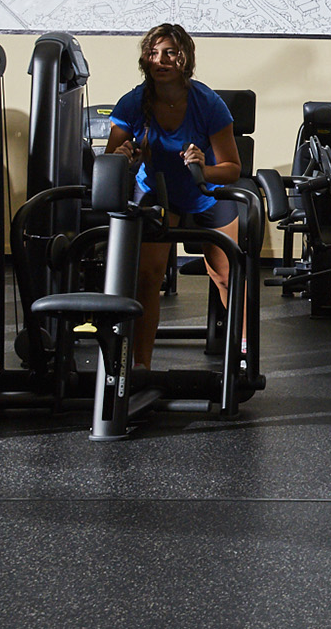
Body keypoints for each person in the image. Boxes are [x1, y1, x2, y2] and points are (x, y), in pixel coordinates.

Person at [103, 23, 242, 371]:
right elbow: (109, 163)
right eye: (153, 53)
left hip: (207, 193)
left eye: (170, 53)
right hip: (158, 193)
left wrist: (203, 168)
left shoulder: (208, 103)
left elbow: (232, 169)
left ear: (185, 59)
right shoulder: (133, 103)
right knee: (148, 278)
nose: (160, 60)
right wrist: (123, 158)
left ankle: (243, 356)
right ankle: (140, 367)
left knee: (225, 275)